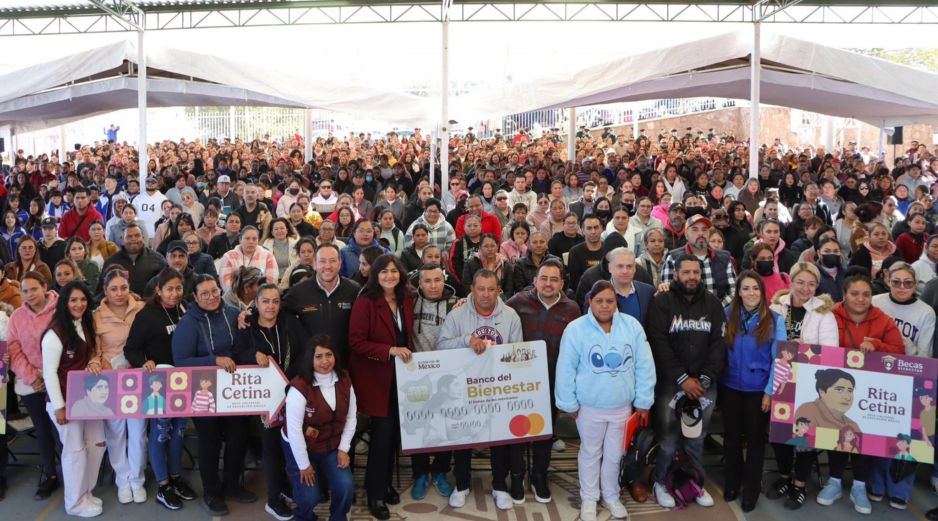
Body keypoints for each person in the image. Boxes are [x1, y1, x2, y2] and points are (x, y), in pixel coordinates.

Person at [556, 280, 655, 521]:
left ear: (616, 303)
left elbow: (644, 365)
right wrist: (568, 402)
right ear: (590, 301)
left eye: (610, 301)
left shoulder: (631, 327)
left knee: (614, 454)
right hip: (588, 406)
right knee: (590, 452)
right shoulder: (576, 329)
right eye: (599, 300)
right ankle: (589, 497)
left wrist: (643, 400)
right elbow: (566, 368)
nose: (604, 305)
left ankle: (611, 495)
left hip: (622, 406)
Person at [817, 274, 904, 515]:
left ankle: (859, 486)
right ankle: (834, 481)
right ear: (844, 294)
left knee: (865, 436)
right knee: (835, 432)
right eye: (855, 293)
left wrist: (877, 345)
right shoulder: (830, 315)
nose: (860, 298)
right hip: (837, 389)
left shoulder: (883, 321)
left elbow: (899, 351)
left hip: (869, 391)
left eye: (866, 294)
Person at [438, 269, 524, 510]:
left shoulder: (510, 316)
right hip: (464, 386)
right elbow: (441, 345)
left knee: (498, 436)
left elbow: (518, 353)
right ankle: (462, 484)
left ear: (498, 290)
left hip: (498, 386)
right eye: (481, 289)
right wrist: (466, 340)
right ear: (472, 289)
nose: (486, 294)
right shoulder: (457, 315)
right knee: (463, 435)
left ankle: (499, 485)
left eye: (491, 289)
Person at [172, 274, 257, 516]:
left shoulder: (232, 312)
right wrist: (214, 360)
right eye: (205, 294)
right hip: (204, 392)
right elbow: (181, 361)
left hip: (234, 391)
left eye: (215, 291)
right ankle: (212, 492)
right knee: (209, 443)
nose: (211, 297)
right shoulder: (188, 323)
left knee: (238, 438)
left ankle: (232, 485)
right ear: (195, 298)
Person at [646, 254, 726, 509]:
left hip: (704, 384)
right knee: (668, 439)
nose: (691, 277)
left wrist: (702, 380)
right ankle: (660, 481)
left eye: (696, 272)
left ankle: (694, 483)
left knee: (696, 438)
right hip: (671, 383)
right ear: (676, 274)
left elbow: (718, 345)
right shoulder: (663, 301)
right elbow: (658, 342)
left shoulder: (713, 303)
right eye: (686, 272)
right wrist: (683, 379)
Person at [506, 259, 582, 504]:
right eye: (544, 278)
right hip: (519, 381)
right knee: (517, 431)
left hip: (552, 382)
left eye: (553, 279)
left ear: (561, 282)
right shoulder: (517, 302)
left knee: (544, 433)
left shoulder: (572, 309)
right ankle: (517, 476)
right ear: (535, 280)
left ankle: (539, 475)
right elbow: (494, 315)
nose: (548, 284)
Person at [234, 283, 310, 520]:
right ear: (256, 303)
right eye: (265, 301)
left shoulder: (290, 322)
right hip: (264, 400)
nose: (270, 306)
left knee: (290, 442)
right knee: (271, 448)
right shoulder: (247, 327)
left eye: (275, 301)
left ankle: (287, 488)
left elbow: (306, 351)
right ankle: (273, 498)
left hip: (292, 392)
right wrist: (251, 356)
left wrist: (292, 382)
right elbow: (236, 356)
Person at [124, 268, 197, 510]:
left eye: (178, 288)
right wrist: (142, 362)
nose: (175, 293)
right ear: (158, 290)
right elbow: (131, 349)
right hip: (158, 384)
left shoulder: (185, 308)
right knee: (160, 432)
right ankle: (163, 485)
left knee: (178, 431)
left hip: (183, 382)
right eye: (169, 289)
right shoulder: (146, 315)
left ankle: (175, 478)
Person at [349, 254, 414, 520]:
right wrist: (389, 350)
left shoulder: (406, 299)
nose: (389, 275)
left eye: (394, 271)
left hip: (401, 378)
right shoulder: (365, 302)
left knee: (393, 436)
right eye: (383, 271)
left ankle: (384, 483)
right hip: (374, 379)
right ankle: (374, 494)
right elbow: (356, 342)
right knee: (382, 436)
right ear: (375, 275)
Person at [720, 271, 786, 512]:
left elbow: (780, 361)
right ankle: (732, 483)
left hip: (759, 390)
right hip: (730, 387)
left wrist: (770, 392)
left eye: (755, 289)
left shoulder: (775, 320)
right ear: (738, 292)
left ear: (763, 292)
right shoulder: (727, 315)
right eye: (746, 288)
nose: (751, 293)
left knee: (756, 442)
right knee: (731, 439)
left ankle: (751, 490)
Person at [41, 281, 107, 517]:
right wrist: (59, 407)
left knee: (97, 444)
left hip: (86, 400)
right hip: (65, 402)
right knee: (75, 451)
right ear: (64, 302)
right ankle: (75, 502)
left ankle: (86, 492)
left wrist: (94, 360)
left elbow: (91, 353)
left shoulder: (85, 323)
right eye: (73, 300)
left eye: (82, 299)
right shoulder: (55, 332)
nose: (79, 304)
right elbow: (48, 372)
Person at [282, 336, 357, 521]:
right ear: (310, 359)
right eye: (319, 356)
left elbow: (351, 417)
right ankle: (303, 517)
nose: (325, 361)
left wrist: (343, 449)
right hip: (301, 448)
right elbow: (294, 431)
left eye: (329, 355)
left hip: (332, 446)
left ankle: (338, 518)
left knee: (346, 487)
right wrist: (304, 465)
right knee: (309, 496)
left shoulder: (345, 379)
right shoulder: (299, 387)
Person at [90, 268, 148, 504]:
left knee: (139, 433)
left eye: (123, 287)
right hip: (110, 380)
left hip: (138, 377)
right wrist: (94, 362)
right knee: (115, 434)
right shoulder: (96, 316)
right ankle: (122, 481)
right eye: (113, 288)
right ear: (105, 290)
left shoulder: (142, 308)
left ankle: (137, 479)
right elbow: (94, 350)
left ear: (129, 286)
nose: (119, 293)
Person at [7, 272, 60, 501]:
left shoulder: (61, 310)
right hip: (31, 384)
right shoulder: (16, 317)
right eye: (24, 291)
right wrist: (32, 377)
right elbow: (13, 350)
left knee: (64, 430)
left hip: (60, 379)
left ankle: (74, 473)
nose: (29, 295)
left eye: (33, 289)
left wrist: (50, 377)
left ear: (44, 287)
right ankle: (50, 475)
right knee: (43, 431)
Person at [408, 263, 459, 499]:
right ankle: (420, 472)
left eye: (437, 280)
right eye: (427, 281)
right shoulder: (408, 303)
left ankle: (440, 470)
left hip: (447, 376)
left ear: (444, 280)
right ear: (419, 283)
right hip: (415, 374)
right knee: (418, 425)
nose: (433, 285)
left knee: (445, 427)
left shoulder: (456, 304)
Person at [282, 243, 360, 366]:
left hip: (345, 365)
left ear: (340, 263)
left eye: (333, 261)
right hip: (310, 365)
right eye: (322, 261)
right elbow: (275, 311)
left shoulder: (354, 290)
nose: (327, 266)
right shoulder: (298, 292)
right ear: (314, 264)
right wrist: (249, 314)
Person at [661, 214, 737, 307]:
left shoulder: (724, 258)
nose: (701, 233)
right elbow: (668, 293)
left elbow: (733, 292)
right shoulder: (673, 258)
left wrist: (717, 309)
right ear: (686, 235)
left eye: (705, 229)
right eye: (695, 229)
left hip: (719, 314)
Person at [872, 262, 935, 358]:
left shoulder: (926, 312)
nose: (902, 287)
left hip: (907, 365)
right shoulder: (874, 302)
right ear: (888, 282)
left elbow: (924, 355)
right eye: (896, 282)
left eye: (908, 283)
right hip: (873, 358)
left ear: (915, 284)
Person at [101, 223, 167, 295]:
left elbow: (165, 286)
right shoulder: (112, 261)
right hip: (120, 304)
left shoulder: (158, 259)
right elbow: (101, 290)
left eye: (137, 235)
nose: (133, 239)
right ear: (123, 240)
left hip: (150, 304)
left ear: (143, 238)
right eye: (129, 236)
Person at [219, 226, 278, 292]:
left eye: (254, 239)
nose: (251, 242)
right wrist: (239, 297)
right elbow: (225, 283)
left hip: (261, 297)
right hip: (234, 298)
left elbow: (271, 281)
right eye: (247, 238)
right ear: (240, 240)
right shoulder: (228, 256)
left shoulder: (268, 256)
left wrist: (258, 297)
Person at [567, 216, 606, 288]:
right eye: (589, 228)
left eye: (596, 227)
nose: (593, 232)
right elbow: (574, 281)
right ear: (582, 231)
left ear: (602, 229)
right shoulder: (575, 252)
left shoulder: (609, 250)